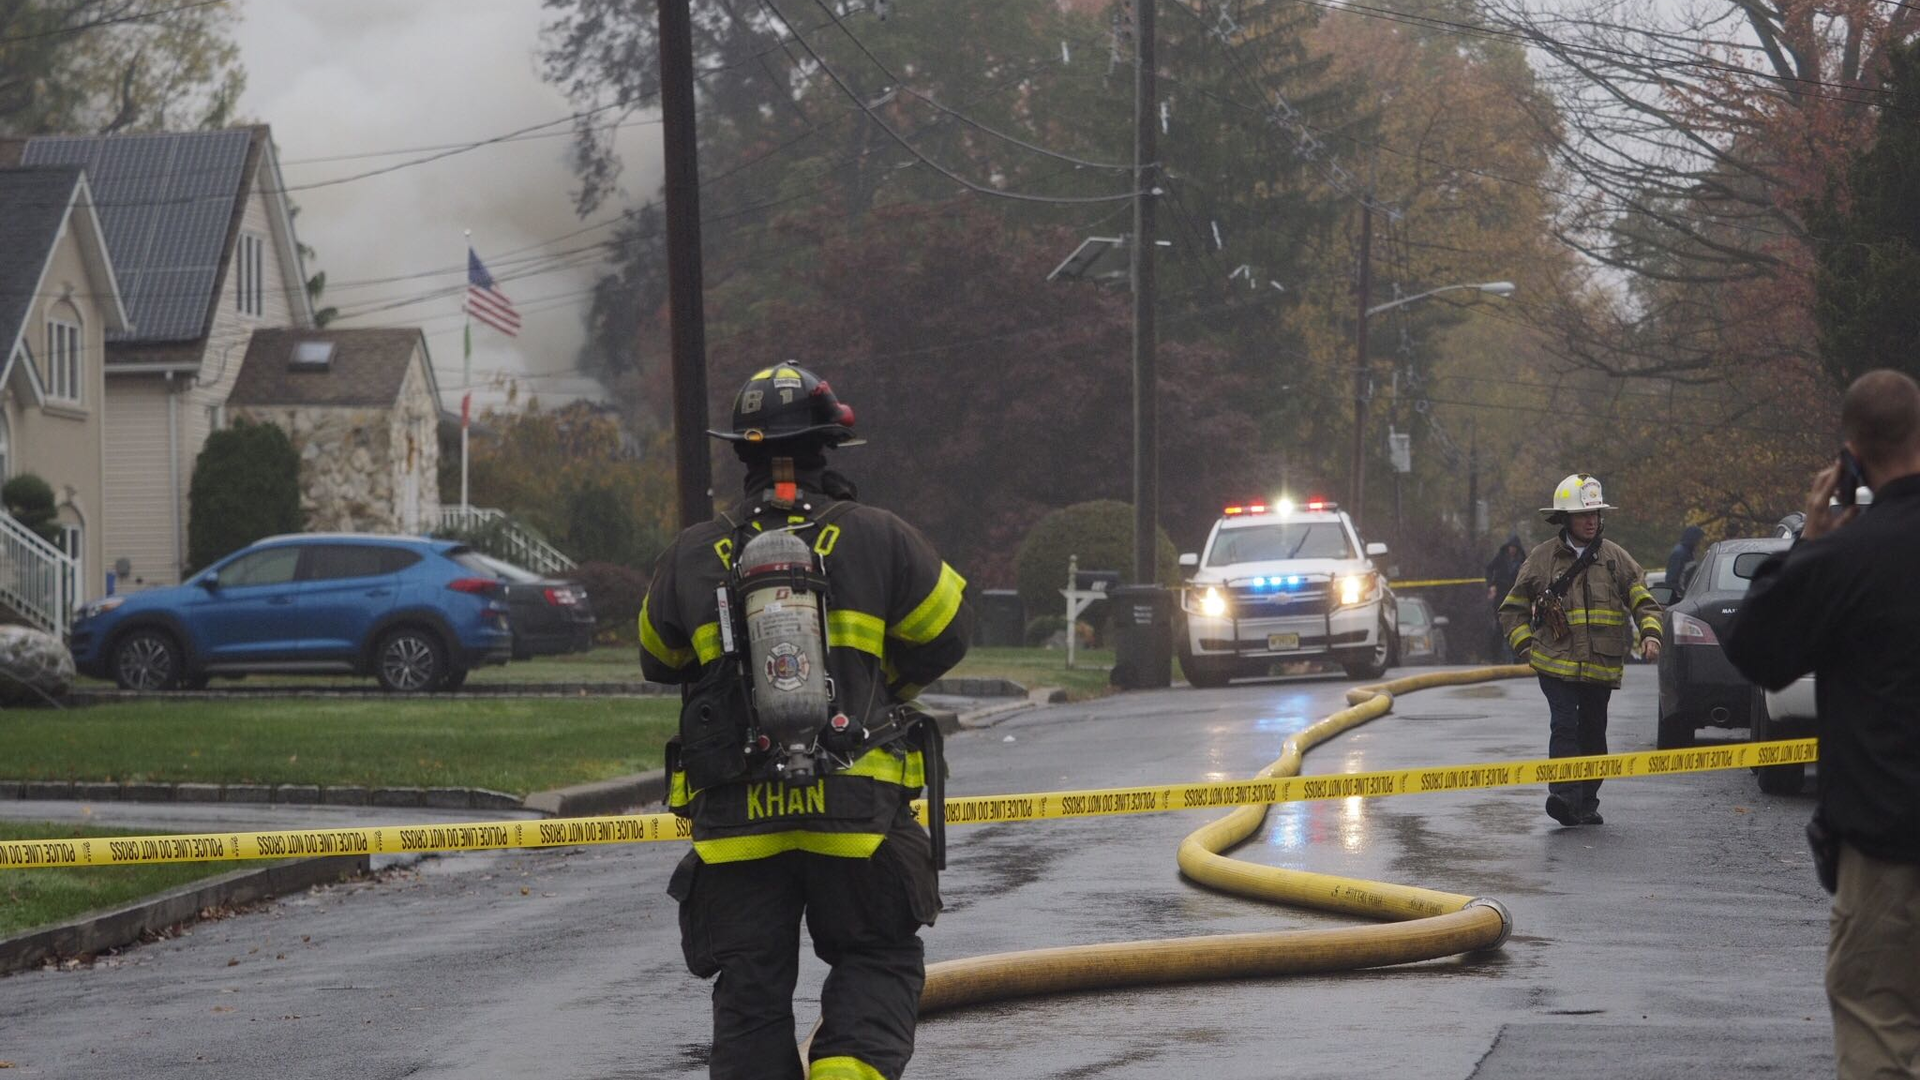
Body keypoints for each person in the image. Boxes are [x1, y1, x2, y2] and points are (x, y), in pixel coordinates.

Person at [639, 363, 973, 1080]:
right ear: (830, 447)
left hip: (736, 818)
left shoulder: (693, 553)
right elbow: (949, 633)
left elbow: (657, 657)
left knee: (751, 997)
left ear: (743, 454)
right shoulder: (881, 538)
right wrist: (887, 684)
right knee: (875, 956)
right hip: (856, 809)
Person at [1723, 369, 1920, 1080]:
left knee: (1879, 1034)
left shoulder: (1845, 559)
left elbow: (1756, 652)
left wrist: (1808, 542)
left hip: (1886, 853)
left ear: (1852, 456)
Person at [1497, 473, 1663, 827]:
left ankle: (1587, 801)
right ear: (1564, 518)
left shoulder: (1615, 558)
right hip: (1555, 663)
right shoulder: (1542, 559)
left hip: (1599, 665)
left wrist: (1651, 635)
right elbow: (1511, 609)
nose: (1591, 521)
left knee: (1593, 730)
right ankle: (1563, 796)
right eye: (1583, 514)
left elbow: (1643, 600)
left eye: (1596, 514)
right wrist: (1526, 645)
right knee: (1565, 725)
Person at [1484, 535, 1526, 659]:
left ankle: (1517, 657)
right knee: (1499, 626)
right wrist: (1491, 585)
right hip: (1501, 595)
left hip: (1516, 596)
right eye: (1510, 547)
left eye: (1514, 548)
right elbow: (1489, 569)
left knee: (1516, 627)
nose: (1512, 550)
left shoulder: (1523, 560)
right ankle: (1495, 656)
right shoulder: (1500, 558)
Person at [1666, 525, 1705, 590]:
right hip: (1681, 595)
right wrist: (1681, 593)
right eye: (1699, 539)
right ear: (1693, 538)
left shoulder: (1689, 553)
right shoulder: (1679, 553)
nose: (1699, 542)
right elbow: (1671, 580)